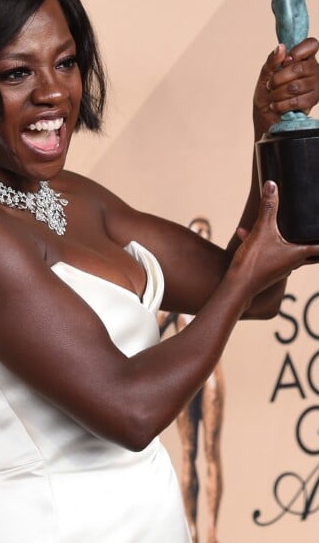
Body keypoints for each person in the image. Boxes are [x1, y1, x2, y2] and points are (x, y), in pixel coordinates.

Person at [0, 0, 319, 540]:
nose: (53, 92)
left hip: (148, 517)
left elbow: (256, 295)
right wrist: (243, 280)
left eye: (65, 63)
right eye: (16, 73)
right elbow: (131, 412)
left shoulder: (68, 195)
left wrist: (270, 134)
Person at [158, 219, 224, 543]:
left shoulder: (218, 284)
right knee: (188, 452)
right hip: (184, 376)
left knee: (211, 451)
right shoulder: (176, 290)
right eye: (196, 235)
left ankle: (210, 529)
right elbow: (151, 329)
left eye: (206, 237)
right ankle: (192, 530)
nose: (202, 242)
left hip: (210, 374)